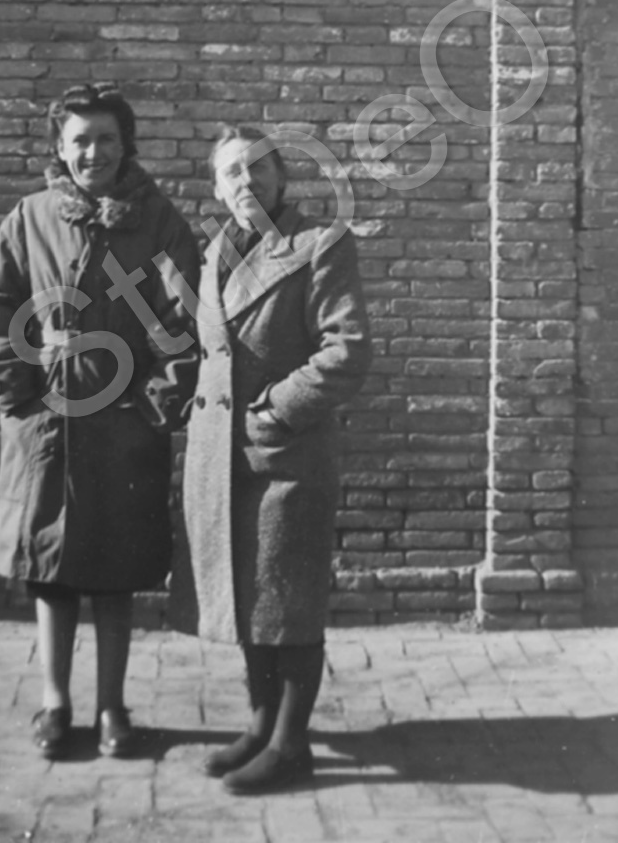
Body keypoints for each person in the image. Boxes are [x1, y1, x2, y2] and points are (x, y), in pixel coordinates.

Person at [0, 83, 199, 759]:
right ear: (59, 149)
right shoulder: (31, 217)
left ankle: (111, 708)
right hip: (46, 424)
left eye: (105, 139)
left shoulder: (158, 224)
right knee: (51, 567)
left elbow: (182, 323)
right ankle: (55, 704)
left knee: (115, 572)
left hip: (123, 427)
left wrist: (152, 402)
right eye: (79, 141)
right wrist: (16, 389)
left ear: (126, 145)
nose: (93, 152)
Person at [173, 124, 371, 794]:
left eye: (258, 168)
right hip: (221, 457)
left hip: (287, 453)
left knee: (289, 601)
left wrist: (273, 411)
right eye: (231, 172)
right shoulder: (214, 253)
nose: (246, 181)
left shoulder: (319, 244)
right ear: (217, 187)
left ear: (282, 178)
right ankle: (260, 726)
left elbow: (347, 351)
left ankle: (291, 745)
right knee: (247, 596)